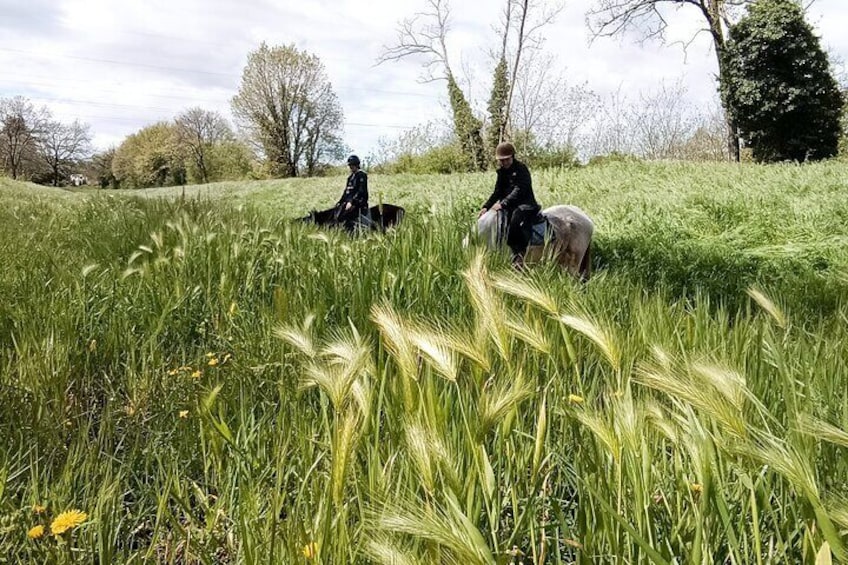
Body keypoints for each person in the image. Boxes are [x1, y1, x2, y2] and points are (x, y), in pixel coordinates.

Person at [479, 142, 541, 269]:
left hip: (525, 204)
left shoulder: (521, 169)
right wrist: (486, 206)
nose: (504, 163)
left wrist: (503, 204)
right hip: (509, 205)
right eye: (501, 160)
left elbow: (519, 190)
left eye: (506, 159)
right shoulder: (501, 172)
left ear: (512, 156)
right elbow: (497, 191)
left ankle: (519, 253)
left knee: (515, 220)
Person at [335, 154, 369, 231]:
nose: (351, 167)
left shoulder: (361, 175)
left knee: (347, 215)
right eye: (350, 165)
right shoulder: (350, 177)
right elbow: (346, 191)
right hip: (348, 202)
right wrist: (340, 201)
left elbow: (361, 191)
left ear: (357, 165)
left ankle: (353, 231)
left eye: (352, 165)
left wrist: (352, 202)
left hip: (359, 202)